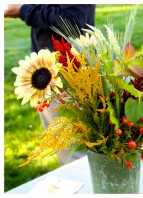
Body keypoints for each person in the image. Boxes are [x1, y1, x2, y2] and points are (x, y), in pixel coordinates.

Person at [4, 4, 96, 165]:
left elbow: (72, 19)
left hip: (67, 73)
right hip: (49, 71)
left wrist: (23, 10)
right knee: (69, 148)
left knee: (73, 153)